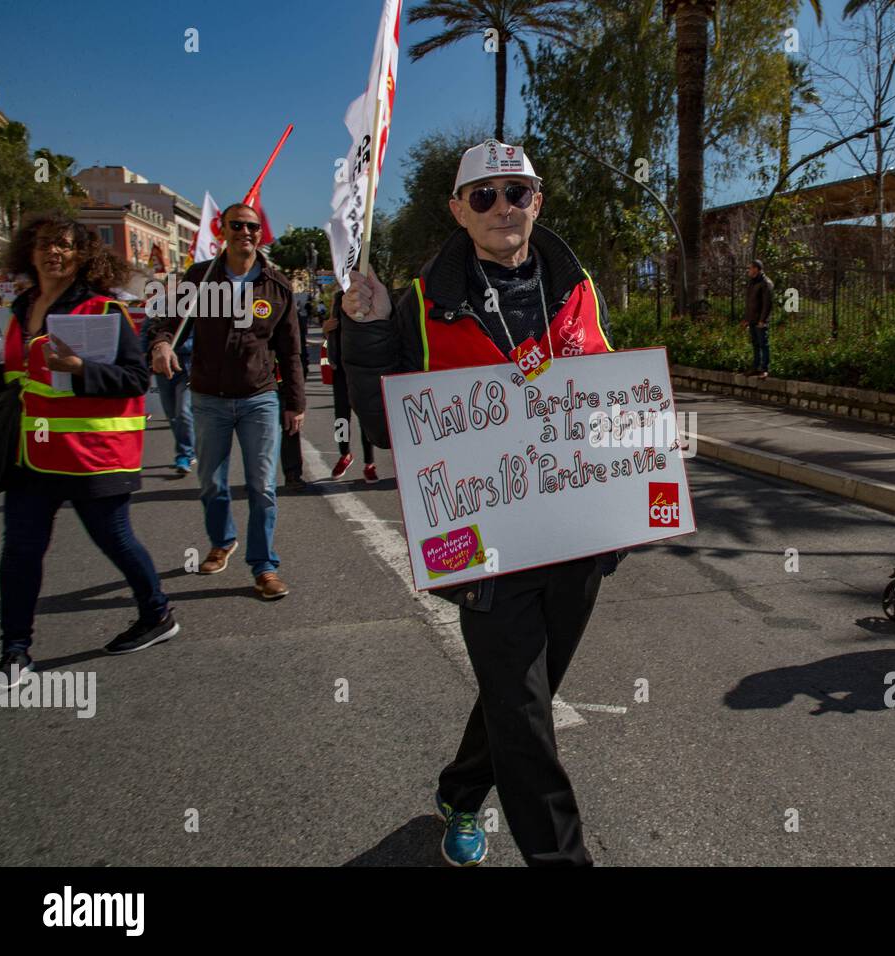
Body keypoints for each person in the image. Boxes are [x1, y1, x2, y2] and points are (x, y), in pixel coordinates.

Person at [341, 138, 625, 867]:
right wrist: (367, 332)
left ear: (539, 199)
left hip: (573, 532)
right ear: (458, 212)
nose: (504, 206)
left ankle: (462, 793)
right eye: (485, 195)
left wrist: (626, 506)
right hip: (478, 537)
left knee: (522, 694)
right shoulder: (417, 302)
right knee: (526, 717)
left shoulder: (577, 284)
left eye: (517, 191)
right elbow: (381, 424)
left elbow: (605, 400)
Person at [0, 213, 179, 685]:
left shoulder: (103, 311)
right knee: (19, 551)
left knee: (115, 540)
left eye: (65, 245)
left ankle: (156, 614)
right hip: (30, 456)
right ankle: (15, 650)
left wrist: (79, 368)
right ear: (29, 252)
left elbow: (136, 380)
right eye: (44, 244)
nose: (53, 252)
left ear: (82, 256)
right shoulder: (19, 311)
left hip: (92, 456)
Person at [148, 203, 305, 600]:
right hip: (209, 398)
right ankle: (222, 541)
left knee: (262, 486)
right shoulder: (201, 278)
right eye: (237, 225)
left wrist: (295, 403)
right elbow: (168, 320)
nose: (245, 232)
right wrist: (163, 342)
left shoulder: (277, 284)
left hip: (259, 398)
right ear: (224, 230)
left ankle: (264, 565)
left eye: (253, 227)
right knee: (212, 482)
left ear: (260, 234)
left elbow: (290, 351)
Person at [141, 288, 196, 474]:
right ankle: (189, 447)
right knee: (171, 413)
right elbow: (145, 334)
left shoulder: (196, 305)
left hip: (187, 366)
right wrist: (143, 361)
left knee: (183, 412)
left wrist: (178, 347)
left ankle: (185, 454)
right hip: (162, 368)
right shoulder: (157, 306)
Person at [324, 289, 375, 482]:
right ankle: (344, 454)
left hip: (363, 369)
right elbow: (330, 329)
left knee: (365, 418)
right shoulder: (338, 297)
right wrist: (326, 329)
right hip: (340, 369)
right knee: (341, 417)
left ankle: (369, 463)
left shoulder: (370, 297)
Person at [744, 259, 773, 378]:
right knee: (755, 344)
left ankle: (764, 369)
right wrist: (746, 318)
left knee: (763, 344)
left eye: (750, 268)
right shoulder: (752, 282)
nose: (748, 270)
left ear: (756, 269)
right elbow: (749, 302)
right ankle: (755, 367)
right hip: (752, 319)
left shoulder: (766, 283)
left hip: (760, 320)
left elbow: (767, 303)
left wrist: (763, 320)